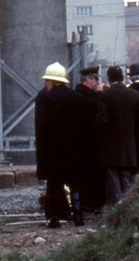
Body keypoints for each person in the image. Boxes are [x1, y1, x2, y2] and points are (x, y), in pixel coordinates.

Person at [34, 62, 82, 228]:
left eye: (47, 80)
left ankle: (54, 218)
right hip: (73, 150)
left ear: (52, 82)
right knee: (74, 183)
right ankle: (78, 215)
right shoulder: (77, 97)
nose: (45, 83)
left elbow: (41, 127)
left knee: (54, 185)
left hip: (52, 151)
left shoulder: (45, 98)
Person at [95, 65, 139, 206]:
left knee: (112, 175)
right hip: (128, 143)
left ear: (109, 78)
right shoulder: (134, 94)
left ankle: (116, 205)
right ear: (122, 78)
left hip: (110, 144)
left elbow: (101, 119)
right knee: (126, 175)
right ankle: (128, 205)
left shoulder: (105, 95)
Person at [72, 67, 103, 217]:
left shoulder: (76, 95)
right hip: (90, 143)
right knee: (92, 175)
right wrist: (100, 95)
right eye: (96, 80)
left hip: (79, 144)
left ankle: (84, 203)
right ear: (89, 79)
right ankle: (91, 204)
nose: (97, 83)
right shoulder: (89, 98)